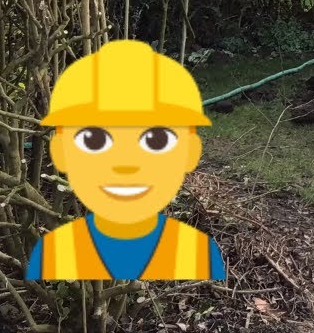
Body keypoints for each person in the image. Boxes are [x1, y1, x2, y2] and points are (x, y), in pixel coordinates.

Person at [25, 40, 225, 281]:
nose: (126, 164)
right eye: (94, 140)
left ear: (190, 153)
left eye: (157, 140)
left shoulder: (197, 255)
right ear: (60, 153)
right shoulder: (55, 254)